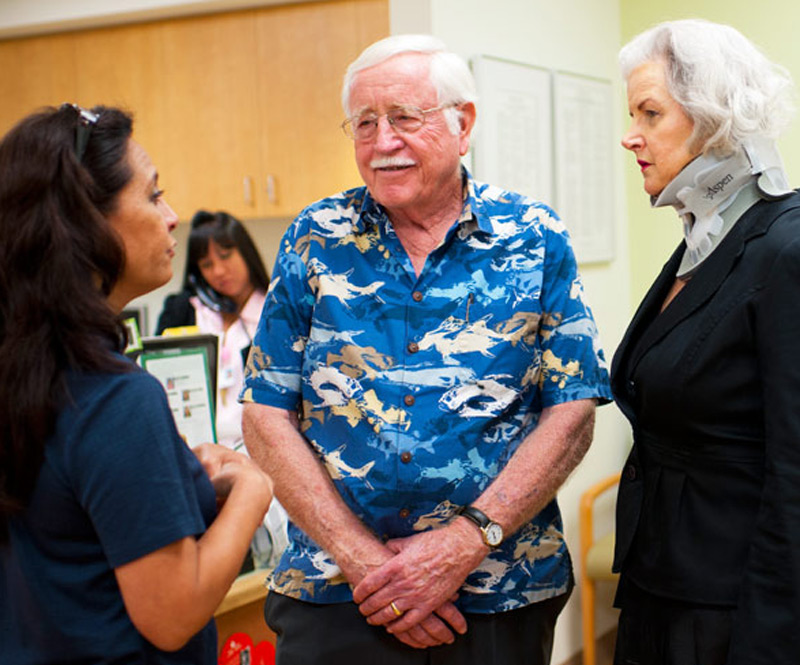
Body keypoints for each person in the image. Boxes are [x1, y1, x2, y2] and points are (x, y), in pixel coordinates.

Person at [240, 34, 612, 665]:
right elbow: (265, 412)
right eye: (364, 123)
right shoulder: (313, 238)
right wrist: (362, 560)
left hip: (497, 591)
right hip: (338, 592)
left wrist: (466, 541)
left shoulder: (534, 236)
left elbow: (571, 409)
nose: (382, 142)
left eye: (404, 118)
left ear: (462, 124)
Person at [0, 104, 273, 664]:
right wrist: (252, 487)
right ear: (86, 222)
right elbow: (172, 614)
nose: (171, 217)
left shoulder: (26, 373)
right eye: (153, 195)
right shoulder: (115, 398)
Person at [612, 19, 800, 665]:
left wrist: (769, 642)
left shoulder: (786, 248)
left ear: (715, 119)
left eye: (650, 113)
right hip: (659, 592)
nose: (630, 135)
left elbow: (795, 476)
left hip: (731, 617)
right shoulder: (707, 239)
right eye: (632, 114)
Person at [156, 210, 270, 451]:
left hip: (256, 451)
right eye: (206, 264)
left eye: (226, 256)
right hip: (193, 450)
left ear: (246, 252)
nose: (218, 271)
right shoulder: (183, 310)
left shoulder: (275, 313)